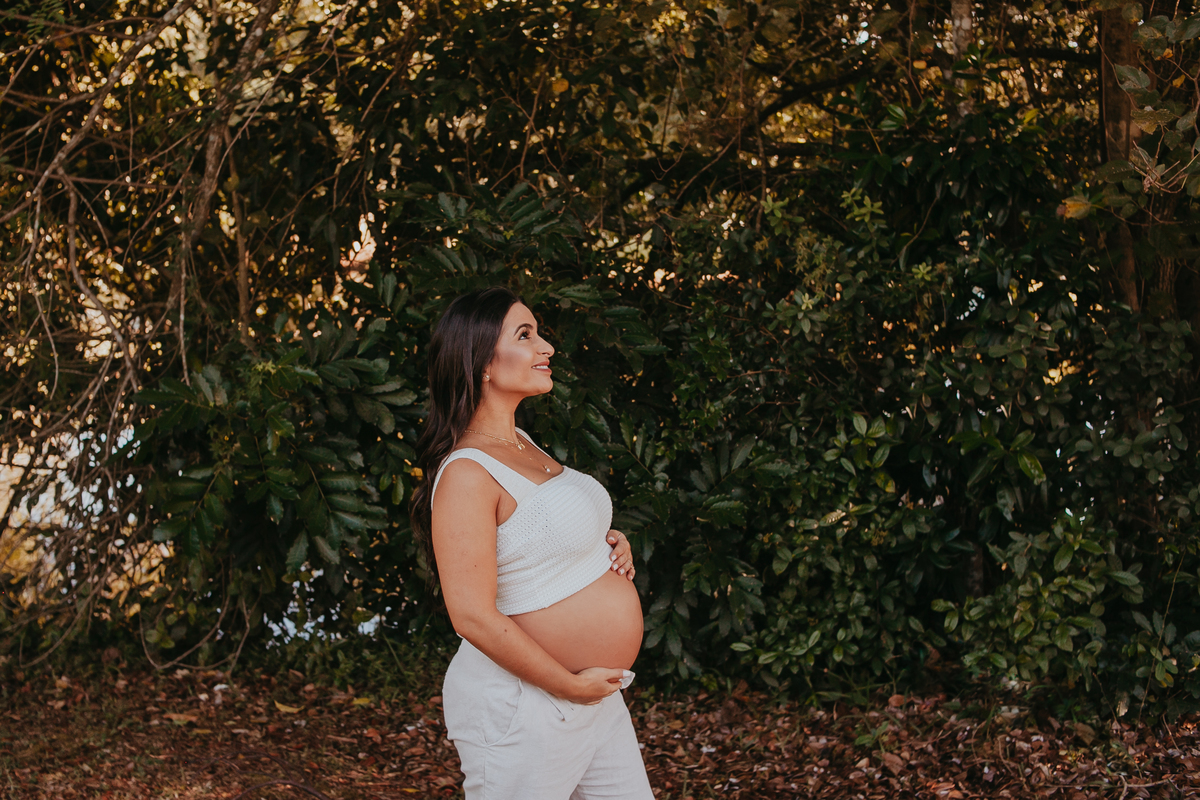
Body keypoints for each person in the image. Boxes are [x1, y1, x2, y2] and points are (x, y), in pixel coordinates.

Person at [410, 287, 654, 800]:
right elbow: (471, 614)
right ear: (481, 362)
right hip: (527, 704)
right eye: (526, 335)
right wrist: (568, 686)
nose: (547, 347)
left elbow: (536, 539)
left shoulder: (521, 444)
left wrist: (604, 545)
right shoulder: (466, 473)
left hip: (594, 696)